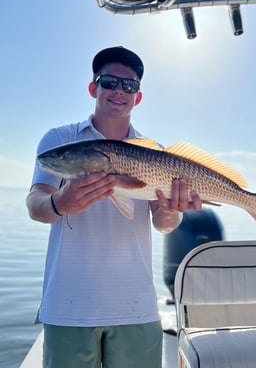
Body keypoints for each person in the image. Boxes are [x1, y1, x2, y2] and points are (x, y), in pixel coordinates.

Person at [26, 46, 202, 368]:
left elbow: (162, 223)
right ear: (94, 87)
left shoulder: (155, 153)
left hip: (136, 306)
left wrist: (172, 209)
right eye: (109, 82)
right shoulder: (59, 141)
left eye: (129, 86)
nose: (119, 91)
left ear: (138, 96)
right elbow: (36, 204)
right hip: (69, 306)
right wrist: (59, 203)